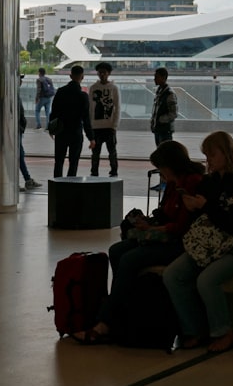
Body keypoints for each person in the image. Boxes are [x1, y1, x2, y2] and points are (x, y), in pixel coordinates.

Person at [75, 141, 205, 344]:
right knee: (117, 250)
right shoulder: (172, 183)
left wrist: (153, 229)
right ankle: (124, 305)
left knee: (129, 259)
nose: (160, 172)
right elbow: (165, 215)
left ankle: (106, 321)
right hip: (165, 237)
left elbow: (181, 227)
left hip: (179, 243)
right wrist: (149, 223)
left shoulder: (191, 182)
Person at [163, 131, 233, 354]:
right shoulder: (210, 181)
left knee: (206, 280)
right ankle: (194, 328)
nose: (209, 161)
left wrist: (205, 207)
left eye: (212, 155)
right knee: (173, 275)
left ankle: (223, 331)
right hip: (209, 246)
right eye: (206, 156)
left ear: (226, 153)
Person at [49, 65, 95, 178]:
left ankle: (57, 185)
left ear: (70, 76)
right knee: (73, 162)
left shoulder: (60, 92)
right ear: (82, 77)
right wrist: (91, 137)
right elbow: (86, 118)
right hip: (75, 132)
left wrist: (51, 129)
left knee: (59, 161)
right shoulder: (83, 96)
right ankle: (70, 186)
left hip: (61, 131)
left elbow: (53, 112)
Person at [89, 61, 120, 177]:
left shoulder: (113, 88)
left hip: (109, 126)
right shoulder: (93, 88)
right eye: (100, 72)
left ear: (109, 73)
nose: (102, 75)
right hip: (96, 127)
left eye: (104, 72)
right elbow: (90, 107)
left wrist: (114, 125)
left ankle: (114, 171)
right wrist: (89, 125)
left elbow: (118, 107)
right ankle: (94, 172)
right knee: (95, 153)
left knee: (112, 152)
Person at [18, 76, 41, 191]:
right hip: (15, 131)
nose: (20, 81)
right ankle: (26, 180)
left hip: (17, 130)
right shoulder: (12, 94)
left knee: (19, 156)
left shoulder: (15, 94)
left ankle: (27, 180)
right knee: (19, 156)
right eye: (18, 78)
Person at [150, 67, 177, 145]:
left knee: (164, 154)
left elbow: (173, 113)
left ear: (163, 77)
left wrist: (160, 120)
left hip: (165, 131)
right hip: (158, 129)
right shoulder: (159, 92)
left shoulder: (169, 94)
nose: (154, 79)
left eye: (156, 77)